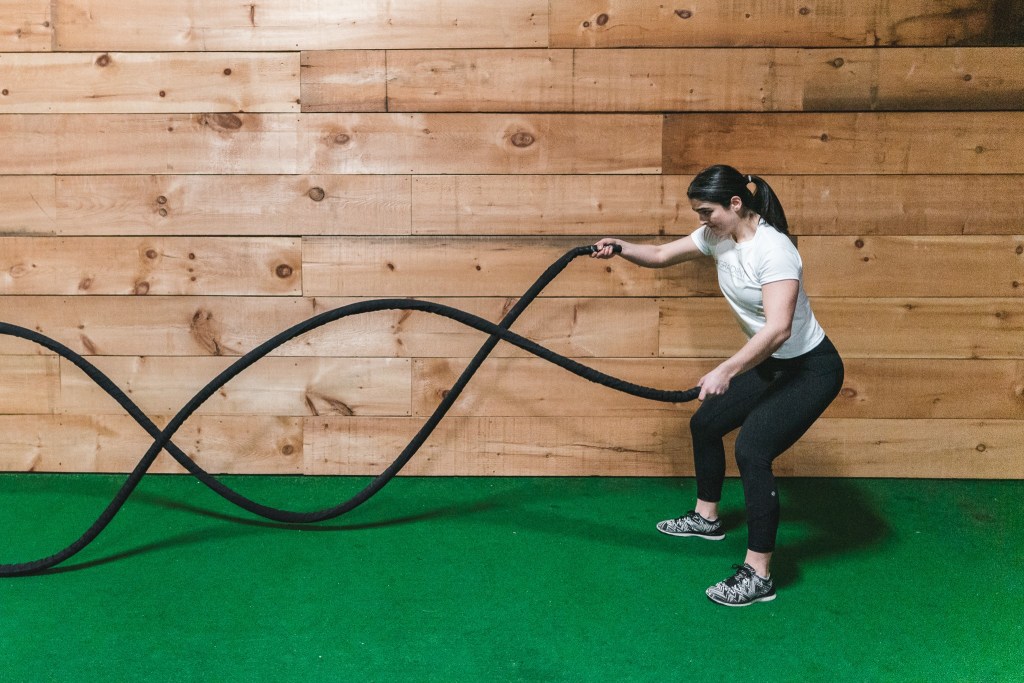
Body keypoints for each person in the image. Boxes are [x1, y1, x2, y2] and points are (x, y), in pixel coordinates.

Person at [591, 164, 844, 606]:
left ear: (735, 203)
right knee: (706, 423)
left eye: (706, 211)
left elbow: (779, 328)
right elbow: (661, 256)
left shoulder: (775, 249)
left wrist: (726, 369)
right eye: (697, 213)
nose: (701, 220)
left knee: (752, 450)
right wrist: (622, 247)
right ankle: (707, 518)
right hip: (773, 365)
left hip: (810, 369)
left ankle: (759, 573)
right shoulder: (716, 236)